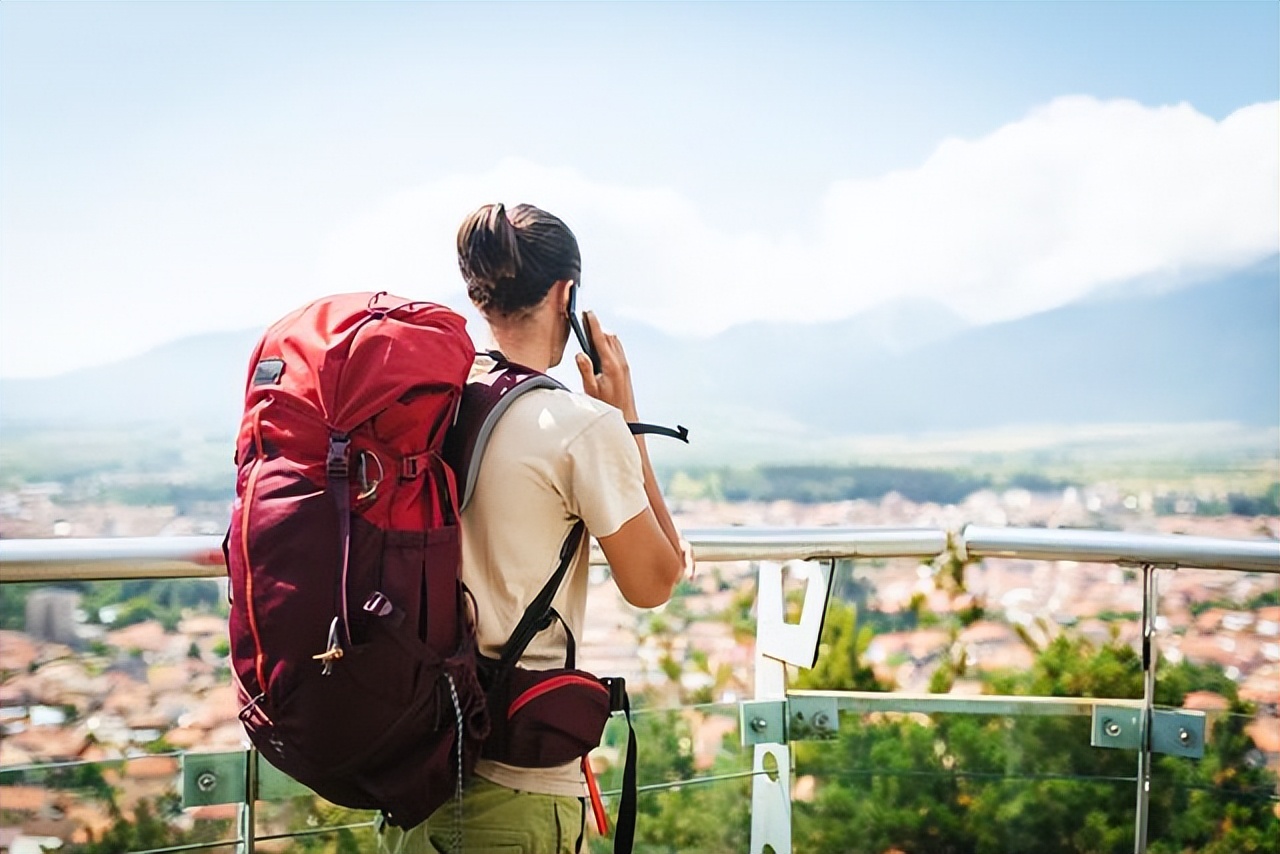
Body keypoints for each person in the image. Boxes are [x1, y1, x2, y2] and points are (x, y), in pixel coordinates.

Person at [379, 202, 688, 854]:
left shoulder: (424, 402)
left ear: (479, 294)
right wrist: (626, 421)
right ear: (565, 295)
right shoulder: (579, 427)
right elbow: (657, 579)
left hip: (412, 767)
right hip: (513, 790)